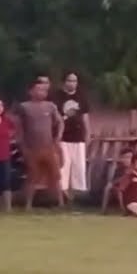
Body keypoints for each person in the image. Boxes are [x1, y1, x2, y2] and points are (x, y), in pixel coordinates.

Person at [15, 79, 64, 210]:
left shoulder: (51, 106)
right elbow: (19, 128)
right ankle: (28, 205)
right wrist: (22, 147)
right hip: (32, 148)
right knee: (32, 176)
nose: (42, 92)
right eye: (39, 89)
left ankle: (61, 203)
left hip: (48, 147)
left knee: (55, 176)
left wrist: (57, 138)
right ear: (31, 91)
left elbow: (60, 122)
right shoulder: (24, 107)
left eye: (44, 90)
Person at [52, 72, 90, 202]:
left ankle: (77, 197)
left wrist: (87, 134)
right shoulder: (57, 97)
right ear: (64, 82)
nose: (72, 83)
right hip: (63, 137)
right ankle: (63, 196)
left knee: (79, 167)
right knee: (64, 165)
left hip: (78, 137)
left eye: (74, 81)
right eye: (69, 80)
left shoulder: (82, 97)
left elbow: (85, 117)